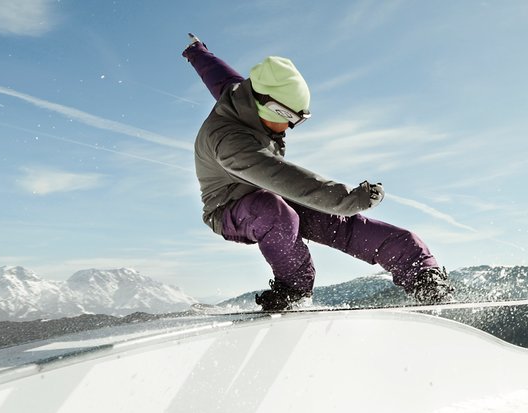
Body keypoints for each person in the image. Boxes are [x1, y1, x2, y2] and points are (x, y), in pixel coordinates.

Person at [183, 35, 454, 311]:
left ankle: (420, 272)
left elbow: (215, 73)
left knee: (337, 223)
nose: (289, 127)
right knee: (276, 213)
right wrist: (349, 198)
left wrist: (197, 52)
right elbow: (288, 179)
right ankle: (293, 290)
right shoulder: (230, 143)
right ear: (271, 107)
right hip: (229, 209)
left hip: (268, 192)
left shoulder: (244, 94)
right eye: (290, 119)